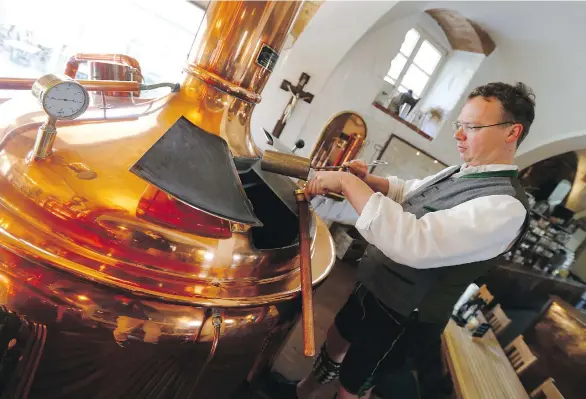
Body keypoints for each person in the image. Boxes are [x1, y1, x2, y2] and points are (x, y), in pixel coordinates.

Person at [296, 82, 536, 399]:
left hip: (404, 314)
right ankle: (304, 391)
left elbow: (414, 242)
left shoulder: (505, 207)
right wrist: (369, 181)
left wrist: (345, 182)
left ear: (512, 132)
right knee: (338, 337)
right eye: (459, 125)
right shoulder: (462, 171)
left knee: (354, 382)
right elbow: (408, 192)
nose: (459, 135)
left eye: (472, 127)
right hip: (376, 286)